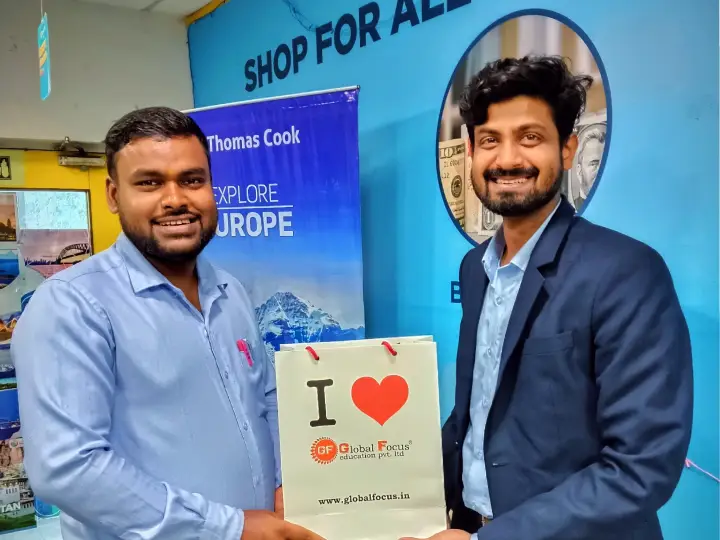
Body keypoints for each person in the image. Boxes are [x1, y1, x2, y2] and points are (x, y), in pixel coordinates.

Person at [12, 107, 324, 540]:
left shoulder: (230, 292)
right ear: (113, 195)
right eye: (150, 182)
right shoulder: (73, 305)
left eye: (192, 180)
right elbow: (68, 468)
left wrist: (286, 483)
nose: (175, 199)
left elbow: (266, 402)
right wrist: (228, 527)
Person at [414, 56, 693, 540]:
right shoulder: (475, 269)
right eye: (489, 141)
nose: (507, 160)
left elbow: (641, 466)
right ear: (470, 152)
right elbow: (476, 413)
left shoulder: (625, 271)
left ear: (567, 149)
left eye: (530, 137)